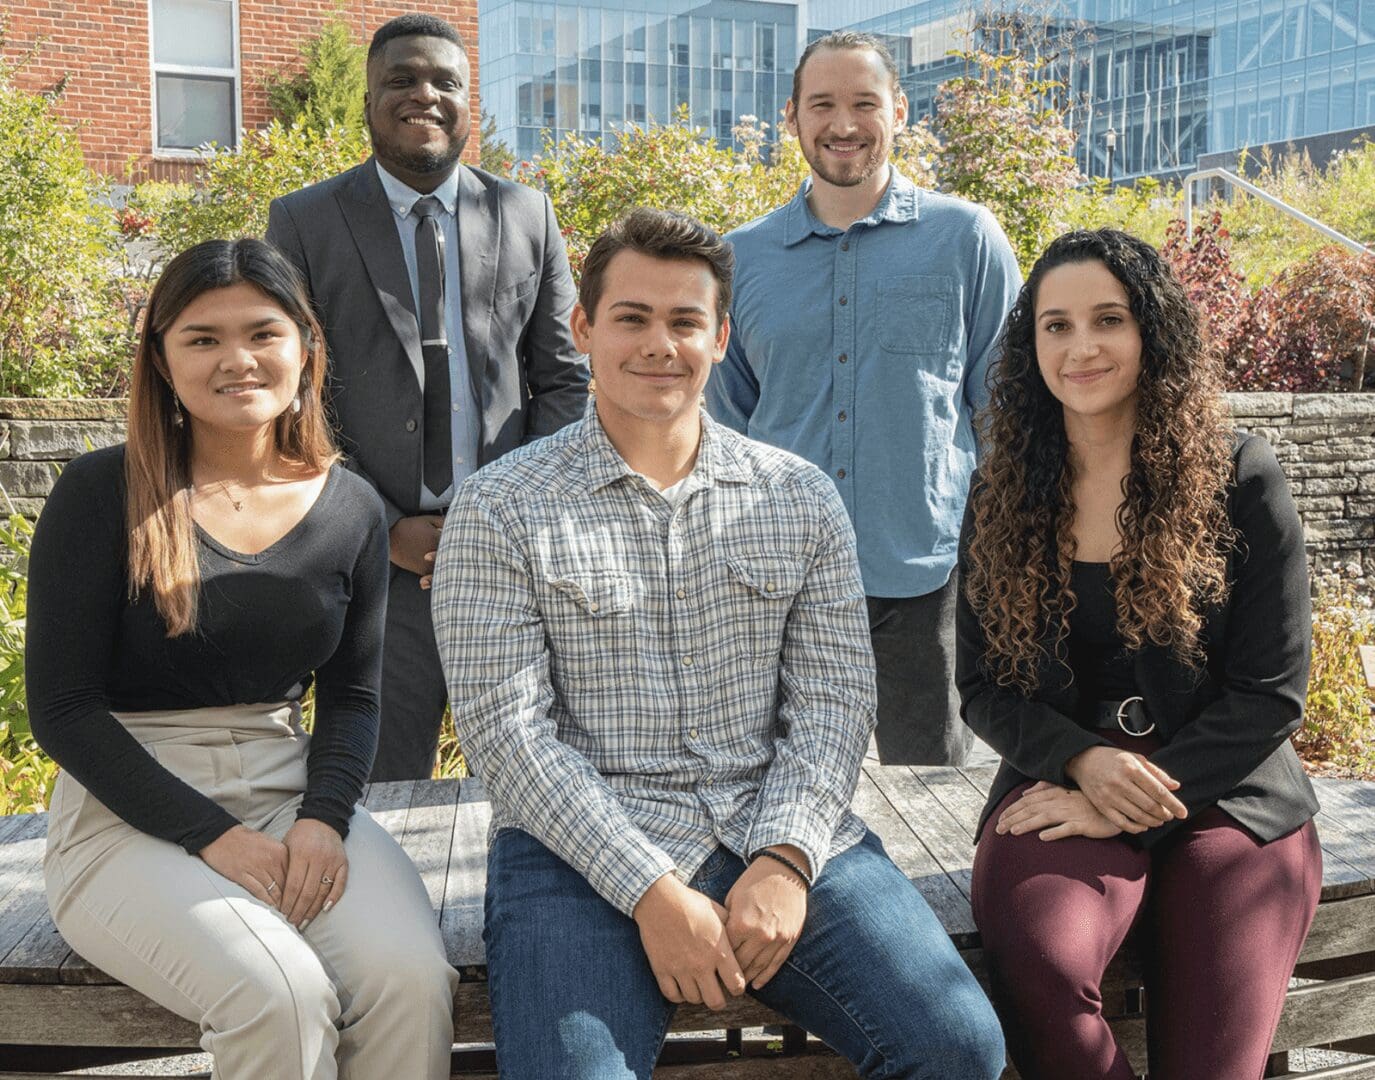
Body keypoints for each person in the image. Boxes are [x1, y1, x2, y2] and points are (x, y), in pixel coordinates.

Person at [431, 208, 1005, 1080]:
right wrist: (650, 891)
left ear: (720, 336)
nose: (659, 344)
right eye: (631, 318)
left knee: (956, 1045)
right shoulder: (500, 506)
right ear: (584, 328)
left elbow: (835, 701)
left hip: (769, 820)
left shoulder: (796, 497)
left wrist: (783, 859)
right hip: (579, 851)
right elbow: (509, 737)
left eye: (685, 321)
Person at [27, 239, 458, 1080]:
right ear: (161, 357)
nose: (237, 360)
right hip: (125, 814)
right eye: (201, 338)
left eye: (262, 332)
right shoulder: (100, 491)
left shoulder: (351, 509)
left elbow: (351, 698)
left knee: (410, 980)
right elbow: (64, 708)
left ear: (305, 345)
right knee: (277, 993)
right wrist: (212, 835)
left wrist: (323, 824)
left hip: (288, 792)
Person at [957, 228, 1322, 1080]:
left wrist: (1133, 799)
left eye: (1107, 319)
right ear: (1030, 343)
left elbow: (1270, 693)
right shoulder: (1004, 489)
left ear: (1150, 330)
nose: (1080, 347)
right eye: (1055, 325)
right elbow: (979, 685)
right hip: (1063, 779)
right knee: (1043, 967)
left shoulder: (1238, 476)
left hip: (1229, 792)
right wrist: (1082, 764)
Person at [265, 13, 589, 781]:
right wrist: (381, 527)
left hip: (512, 561)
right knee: (378, 792)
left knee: (531, 786)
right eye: (402, 80)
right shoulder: (304, 221)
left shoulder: (526, 214)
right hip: (376, 566)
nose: (425, 95)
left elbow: (566, 378)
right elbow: (289, 397)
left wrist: (515, 511)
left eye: (445, 81)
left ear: (469, 100)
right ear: (369, 99)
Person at [708, 31, 1022, 766]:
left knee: (928, 793)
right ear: (791, 116)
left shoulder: (965, 238)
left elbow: (1004, 407)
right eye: (822, 103)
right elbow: (724, 423)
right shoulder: (737, 259)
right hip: (776, 588)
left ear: (900, 111)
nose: (842, 123)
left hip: (925, 578)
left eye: (862, 102)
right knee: (774, 798)